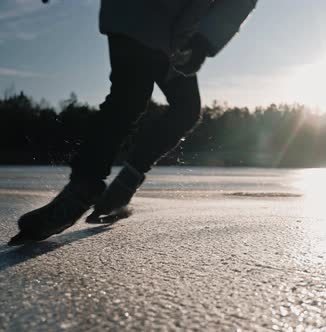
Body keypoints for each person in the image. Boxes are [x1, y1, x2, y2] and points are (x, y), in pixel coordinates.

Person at [8, 0, 258, 245]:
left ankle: (124, 181)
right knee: (130, 96)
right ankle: (85, 184)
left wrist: (203, 41)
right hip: (135, 13)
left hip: (178, 30)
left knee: (182, 108)